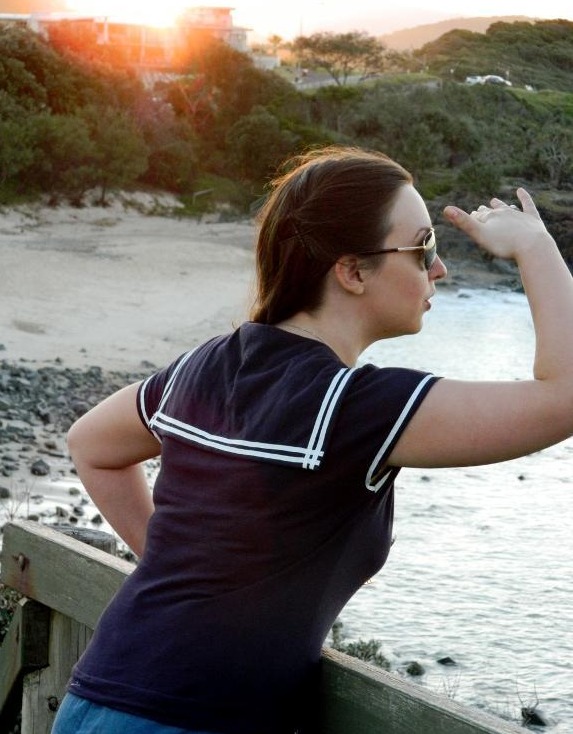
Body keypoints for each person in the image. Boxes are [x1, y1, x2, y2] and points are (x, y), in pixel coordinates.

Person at [51, 145, 573, 734]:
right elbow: (565, 398)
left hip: (95, 699)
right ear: (351, 271)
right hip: (192, 718)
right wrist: (534, 247)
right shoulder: (352, 408)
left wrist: (174, 571)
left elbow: (90, 444)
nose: (439, 269)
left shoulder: (209, 365)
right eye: (423, 247)